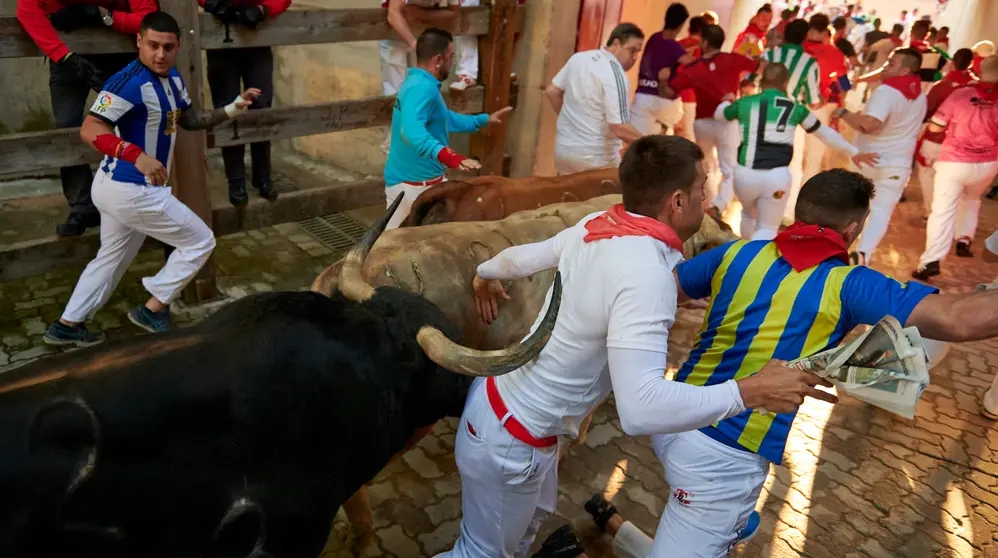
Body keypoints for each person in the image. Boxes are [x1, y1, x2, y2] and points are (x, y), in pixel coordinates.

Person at [436, 135, 836, 558]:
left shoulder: (599, 223)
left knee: (516, 540)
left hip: (505, 414)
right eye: (703, 186)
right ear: (678, 202)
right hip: (511, 442)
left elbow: (521, 258)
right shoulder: (646, 273)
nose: (709, 194)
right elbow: (640, 408)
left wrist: (484, 272)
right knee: (478, 553)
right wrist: (751, 390)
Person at [587, 167, 998, 557]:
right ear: (852, 229)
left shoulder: (738, 253)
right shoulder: (851, 282)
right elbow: (958, 319)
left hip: (673, 419)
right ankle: (720, 522)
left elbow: (656, 296)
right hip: (725, 460)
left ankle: (717, 523)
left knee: (700, 510)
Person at [43, 12, 259, 346]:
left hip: (123, 190)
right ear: (139, 42)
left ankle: (67, 325)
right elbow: (90, 128)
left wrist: (233, 108)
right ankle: (152, 308)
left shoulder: (172, 79)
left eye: (168, 47)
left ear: (178, 47)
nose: (160, 54)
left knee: (111, 258)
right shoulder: (126, 82)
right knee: (200, 241)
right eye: (153, 45)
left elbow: (192, 120)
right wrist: (137, 155)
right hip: (130, 189)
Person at [16, 0, 156, 237]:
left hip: (118, 53)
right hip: (66, 56)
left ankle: (134, 198)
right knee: (66, 128)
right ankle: (81, 206)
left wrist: (105, 16)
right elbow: (26, 9)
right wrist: (64, 57)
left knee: (131, 122)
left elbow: (148, 17)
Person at [715, 63, 876, 240]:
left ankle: (744, 256)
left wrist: (726, 102)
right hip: (777, 179)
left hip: (745, 176)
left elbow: (720, 115)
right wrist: (853, 152)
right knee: (767, 227)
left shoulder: (744, 103)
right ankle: (760, 264)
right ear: (785, 83)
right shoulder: (795, 108)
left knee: (747, 215)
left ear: (762, 81)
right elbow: (825, 134)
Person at [383, 28, 510, 230]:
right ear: (439, 60)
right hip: (412, 189)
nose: (453, 63)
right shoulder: (422, 88)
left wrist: (484, 120)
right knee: (395, 250)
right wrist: (451, 157)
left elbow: (445, 119)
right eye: (452, 57)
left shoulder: (418, 82)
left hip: (417, 185)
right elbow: (411, 132)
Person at [833, 48, 927, 266]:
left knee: (852, 207)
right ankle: (863, 253)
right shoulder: (920, 94)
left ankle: (836, 251)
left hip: (868, 161)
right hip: (898, 164)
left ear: (904, 70)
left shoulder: (888, 91)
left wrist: (843, 113)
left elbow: (869, 125)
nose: (885, 67)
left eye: (891, 64)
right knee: (881, 212)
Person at [913, 56, 998, 281]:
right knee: (972, 199)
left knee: (943, 211)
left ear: (979, 70)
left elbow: (937, 125)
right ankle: (964, 240)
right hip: (988, 163)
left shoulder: (961, 94)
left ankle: (931, 261)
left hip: (954, 162)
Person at [659, 24, 759, 214]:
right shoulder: (733, 59)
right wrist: (747, 84)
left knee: (705, 167)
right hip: (728, 120)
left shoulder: (693, 69)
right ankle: (720, 207)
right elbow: (758, 66)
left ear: (704, 42)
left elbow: (669, 92)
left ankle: (709, 205)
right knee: (729, 169)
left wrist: (664, 79)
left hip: (703, 123)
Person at [200, 0, 290, 206]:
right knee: (228, 108)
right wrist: (212, 3)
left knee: (261, 107)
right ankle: (236, 180)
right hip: (220, 38)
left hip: (257, 36)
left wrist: (263, 9)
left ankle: (262, 176)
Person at [544, 23, 645, 174]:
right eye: (632, 50)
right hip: (595, 158)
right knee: (615, 196)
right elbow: (619, 127)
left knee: (570, 196)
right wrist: (653, 143)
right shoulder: (615, 72)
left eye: (638, 52)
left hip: (563, 151)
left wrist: (574, 123)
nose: (635, 57)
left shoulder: (579, 58)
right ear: (616, 43)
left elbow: (552, 91)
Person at [766, 19, 823, 219]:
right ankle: (786, 214)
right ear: (805, 38)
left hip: (761, 114)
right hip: (790, 120)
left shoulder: (769, 54)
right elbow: (814, 101)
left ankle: (758, 211)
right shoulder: (809, 62)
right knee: (791, 167)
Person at [914, 48, 977, 217]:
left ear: (953, 62)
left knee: (928, 174)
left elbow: (926, 111)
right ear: (971, 64)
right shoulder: (979, 88)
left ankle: (932, 212)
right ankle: (950, 217)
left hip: (936, 140)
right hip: (966, 143)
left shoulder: (942, 86)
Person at [801, 14, 850, 187]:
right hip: (820, 106)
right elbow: (844, 83)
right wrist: (841, 105)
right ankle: (802, 197)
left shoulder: (797, 48)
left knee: (793, 154)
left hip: (792, 103)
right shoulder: (835, 52)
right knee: (814, 156)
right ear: (824, 31)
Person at [630, 3, 692, 136]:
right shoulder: (675, 47)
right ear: (681, 25)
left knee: (637, 141)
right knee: (679, 127)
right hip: (664, 101)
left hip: (642, 96)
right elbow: (689, 63)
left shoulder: (654, 38)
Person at [675, 15, 706, 142]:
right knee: (689, 134)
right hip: (690, 96)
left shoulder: (677, 45)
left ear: (689, 29)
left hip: (673, 94)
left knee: (672, 131)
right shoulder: (704, 51)